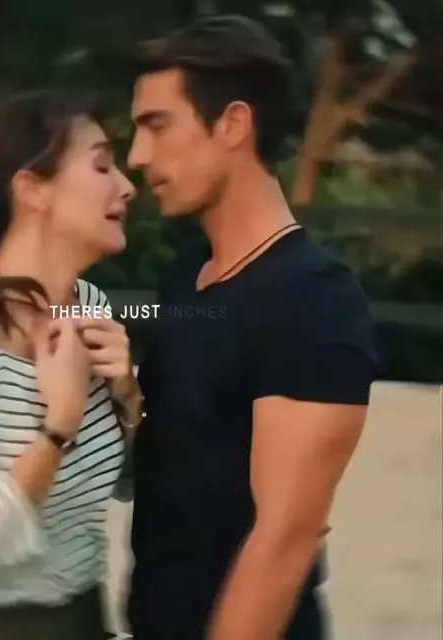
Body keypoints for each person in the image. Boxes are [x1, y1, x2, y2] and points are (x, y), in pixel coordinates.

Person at [126, 14, 378, 640]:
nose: (137, 156)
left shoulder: (312, 296)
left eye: (157, 125)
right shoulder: (185, 280)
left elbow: (286, 535)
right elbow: (179, 455)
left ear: (233, 124)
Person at [0, 90, 144, 640]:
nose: (127, 186)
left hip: (88, 617)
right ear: (32, 189)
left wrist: (129, 398)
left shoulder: (90, 307)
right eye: (101, 165)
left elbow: (123, 486)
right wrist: (59, 425)